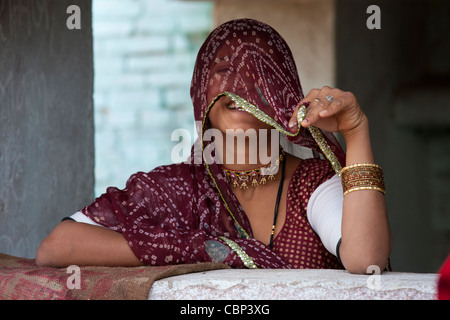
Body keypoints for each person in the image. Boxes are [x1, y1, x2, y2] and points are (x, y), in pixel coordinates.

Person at [36, 19, 392, 274]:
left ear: (282, 91)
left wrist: (356, 131)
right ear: (201, 94)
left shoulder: (311, 184)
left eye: (259, 70)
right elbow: (57, 246)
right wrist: (208, 250)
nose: (240, 80)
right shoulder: (176, 188)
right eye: (224, 69)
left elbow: (367, 260)